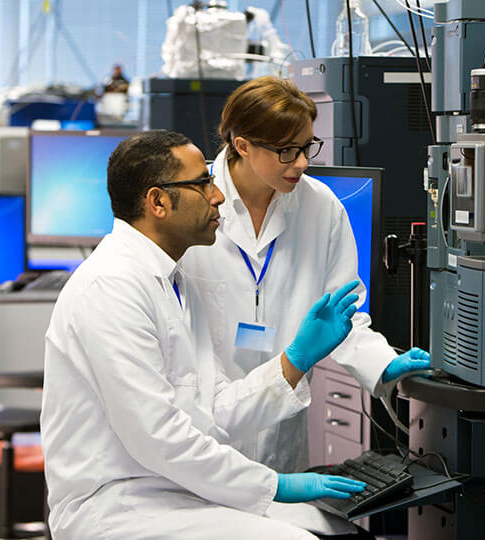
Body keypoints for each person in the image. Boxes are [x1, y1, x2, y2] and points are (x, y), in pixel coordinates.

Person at [40, 130, 375, 539]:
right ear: (158, 202)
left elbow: (211, 411)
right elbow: (158, 437)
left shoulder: (173, 283)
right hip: (117, 505)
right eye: (203, 183)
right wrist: (274, 484)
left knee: (339, 529)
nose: (217, 196)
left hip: (173, 490)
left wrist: (293, 362)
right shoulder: (111, 287)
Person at [180, 76, 431, 475]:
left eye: (306, 147)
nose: (302, 163)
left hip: (282, 433)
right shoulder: (193, 209)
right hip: (205, 434)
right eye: (286, 151)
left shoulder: (321, 207)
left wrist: (383, 363)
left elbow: (342, 316)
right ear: (242, 145)